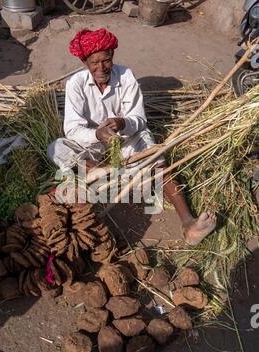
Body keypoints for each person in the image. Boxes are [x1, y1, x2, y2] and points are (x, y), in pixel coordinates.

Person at [48, 28, 216, 246]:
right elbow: (71, 129)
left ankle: (188, 223)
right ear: (85, 63)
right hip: (93, 146)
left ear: (112, 56)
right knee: (57, 148)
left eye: (106, 61)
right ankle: (104, 173)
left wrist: (123, 122)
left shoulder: (126, 76)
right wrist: (97, 134)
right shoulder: (76, 84)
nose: (101, 68)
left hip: (126, 142)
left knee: (155, 154)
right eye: (94, 63)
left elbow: (139, 118)